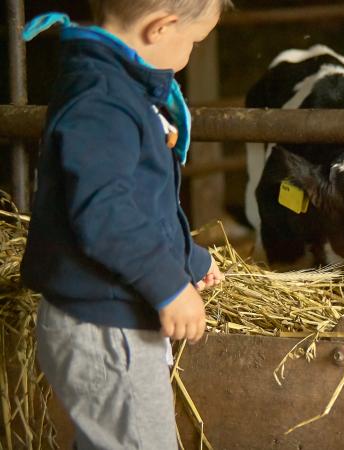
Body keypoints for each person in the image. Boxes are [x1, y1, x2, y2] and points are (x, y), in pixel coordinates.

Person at [19, 0, 232, 448]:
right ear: (161, 28)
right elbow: (103, 213)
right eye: (193, 42)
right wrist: (169, 286)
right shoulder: (103, 102)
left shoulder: (118, 88)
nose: (189, 55)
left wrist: (188, 262)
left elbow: (141, 200)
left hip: (107, 315)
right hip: (106, 327)